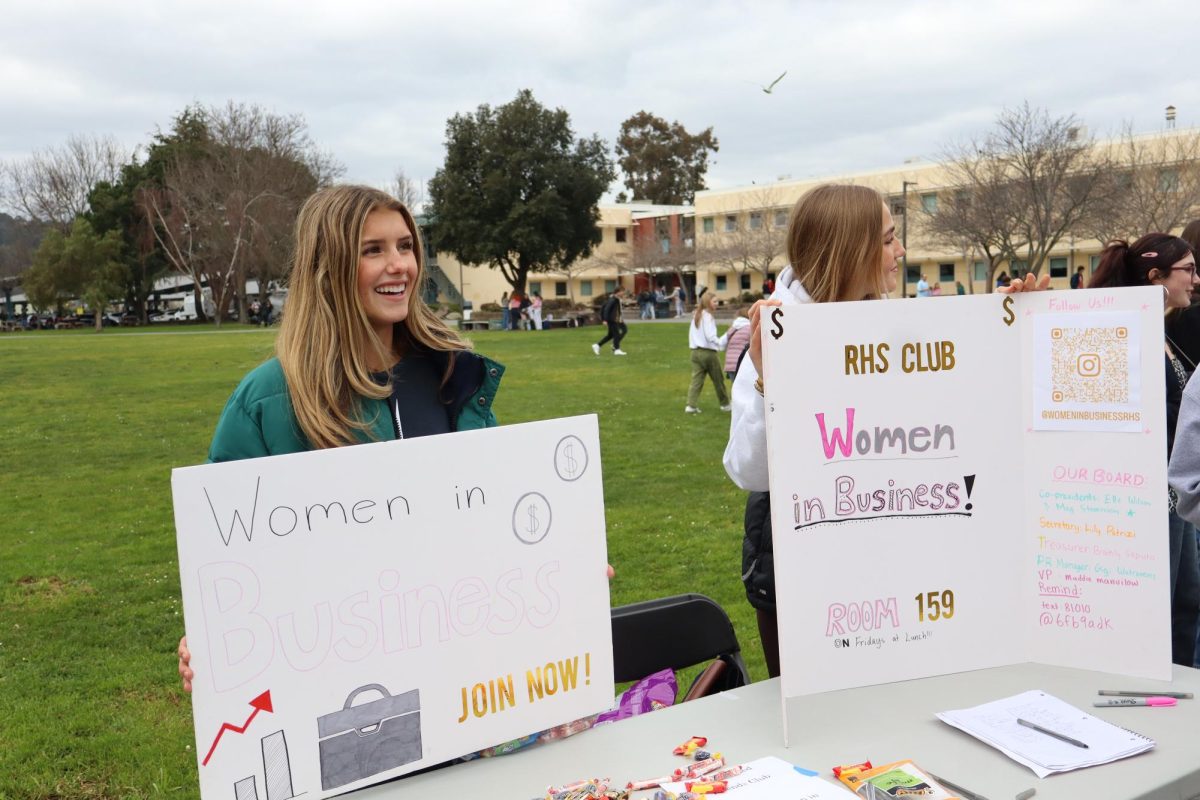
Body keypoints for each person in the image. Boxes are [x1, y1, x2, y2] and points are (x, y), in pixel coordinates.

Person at [177, 184, 507, 690]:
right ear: (327, 268)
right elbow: (230, 566)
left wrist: (552, 563)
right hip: (341, 689)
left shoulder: (454, 377)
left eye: (405, 246)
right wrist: (214, 634)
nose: (399, 264)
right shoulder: (269, 399)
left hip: (461, 671)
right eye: (372, 251)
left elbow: (495, 522)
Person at [722, 183, 1048, 677]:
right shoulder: (781, 334)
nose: (901, 252)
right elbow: (749, 471)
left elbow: (962, 411)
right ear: (851, 249)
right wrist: (771, 380)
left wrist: (1010, 327)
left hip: (898, 565)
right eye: (889, 239)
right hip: (805, 572)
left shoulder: (895, 325)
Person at [1093, 233, 1200, 668]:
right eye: (1187, 270)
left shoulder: (1161, 335)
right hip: (1150, 492)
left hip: (1173, 491)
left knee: (1188, 596)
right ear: (1156, 278)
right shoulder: (1127, 340)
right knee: (1168, 600)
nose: (1195, 279)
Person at [686, 289, 732, 413]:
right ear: (708, 302)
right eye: (715, 301)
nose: (717, 303)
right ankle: (725, 404)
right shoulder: (708, 317)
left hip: (695, 352)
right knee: (718, 380)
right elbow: (710, 336)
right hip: (708, 353)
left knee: (697, 380)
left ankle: (691, 405)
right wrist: (722, 343)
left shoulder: (697, 315)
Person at [592, 286, 628, 356]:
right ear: (618, 292)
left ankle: (597, 345)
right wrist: (604, 319)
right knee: (616, 334)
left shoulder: (617, 299)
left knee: (612, 335)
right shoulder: (613, 300)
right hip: (613, 320)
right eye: (622, 291)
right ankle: (616, 349)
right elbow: (606, 309)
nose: (623, 293)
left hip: (618, 319)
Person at [723, 310, 752, 379]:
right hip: (741, 364)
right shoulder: (750, 328)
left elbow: (722, 342)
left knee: (736, 388)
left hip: (730, 364)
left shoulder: (732, 329)